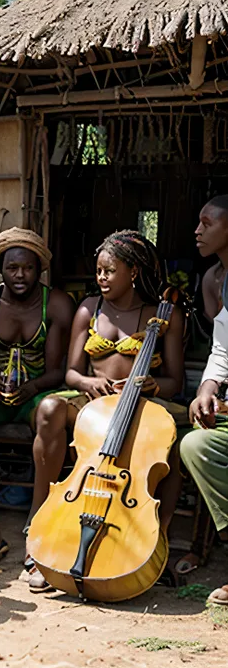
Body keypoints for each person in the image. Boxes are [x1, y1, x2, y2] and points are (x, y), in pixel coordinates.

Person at [27, 230, 186, 591]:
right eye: (98, 271)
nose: (101, 278)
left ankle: (155, 540)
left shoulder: (163, 316)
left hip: (142, 403)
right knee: (50, 409)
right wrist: (86, 384)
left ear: (133, 271)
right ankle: (38, 521)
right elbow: (70, 371)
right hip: (93, 403)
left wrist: (153, 385)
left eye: (110, 271)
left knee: (172, 447)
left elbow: (175, 380)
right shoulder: (89, 308)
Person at [0, 227, 74, 566]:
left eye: (28, 268)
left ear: (40, 269)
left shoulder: (58, 304)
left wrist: (32, 388)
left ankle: (38, 518)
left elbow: (59, 370)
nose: (20, 275)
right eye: (12, 268)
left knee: (53, 414)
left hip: (38, 394)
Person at [181, 195, 228, 604]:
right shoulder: (222, 279)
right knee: (195, 444)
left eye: (206, 223)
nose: (198, 231)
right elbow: (222, 349)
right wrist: (207, 389)